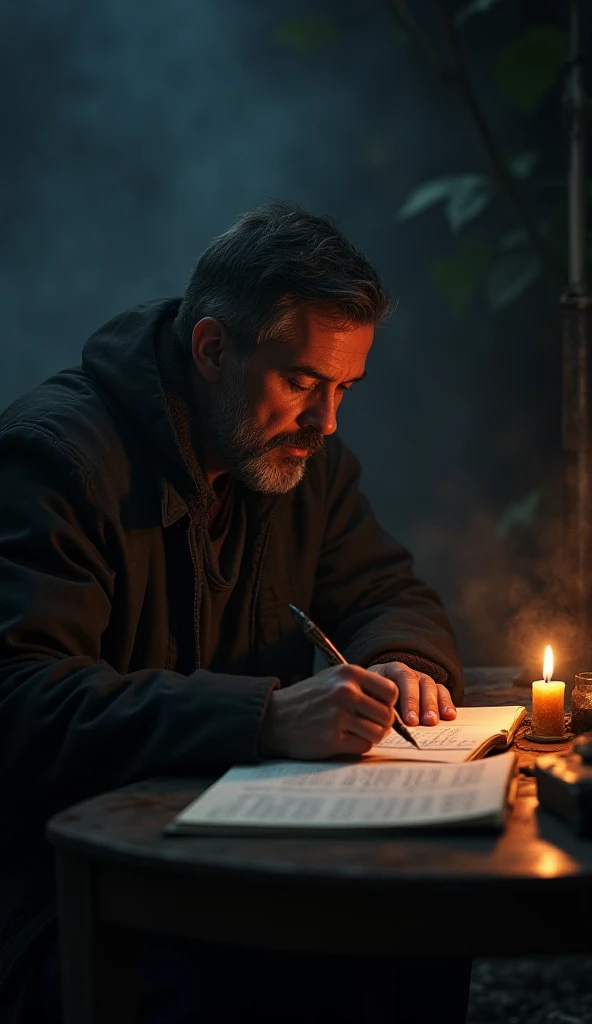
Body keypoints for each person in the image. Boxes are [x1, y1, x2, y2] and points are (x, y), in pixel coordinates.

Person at [0, 201, 467, 1023]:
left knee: (417, 933)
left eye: (344, 390)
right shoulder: (54, 458)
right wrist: (265, 718)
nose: (325, 422)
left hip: (232, 862)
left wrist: (407, 660)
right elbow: (20, 697)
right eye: (302, 382)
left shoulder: (297, 460)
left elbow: (391, 594)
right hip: (68, 893)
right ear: (212, 349)